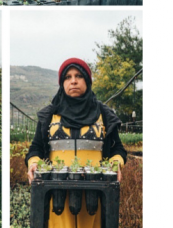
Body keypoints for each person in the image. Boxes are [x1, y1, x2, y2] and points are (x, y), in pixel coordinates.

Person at [25, 58, 127, 228]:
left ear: (87, 81)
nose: (73, 81)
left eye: (79, 75)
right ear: (62, 83)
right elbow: (35, 149)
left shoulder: (104, 114)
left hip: (94, 199)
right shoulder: (49, 116)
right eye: (67, 77)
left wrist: (116, 163)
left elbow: (118, 149)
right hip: (58, 199)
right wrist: (34, 163)